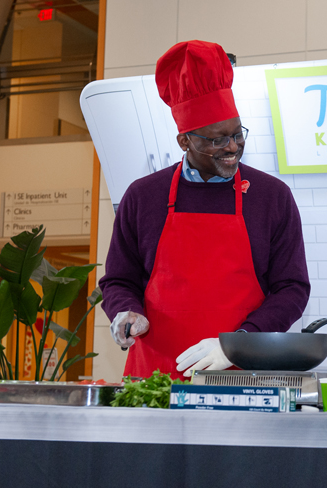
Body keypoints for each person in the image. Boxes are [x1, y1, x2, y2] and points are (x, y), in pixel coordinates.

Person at [100, 40, 310, 379]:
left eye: (237, 134)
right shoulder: (143, 196)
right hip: (156, 376)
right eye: (217, 140)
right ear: (185, 141)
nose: (233, 147)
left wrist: (240, 342)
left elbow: (292, 288)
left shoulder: (272, 197)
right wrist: (125, 311)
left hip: (242, 373)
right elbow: (119, 279)